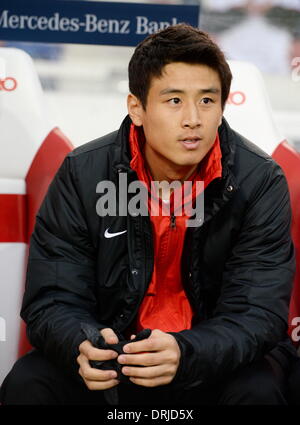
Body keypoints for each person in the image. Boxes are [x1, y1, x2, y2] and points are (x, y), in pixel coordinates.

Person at [0, 24, 298, 406]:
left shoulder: (259, 180)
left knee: (257, 391)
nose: (193, 118)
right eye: (174, 101)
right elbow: (52, 298)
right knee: (30, 383)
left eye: (207, 101)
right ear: (136, 108)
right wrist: (83, 344)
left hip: (210, 364)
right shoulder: (82, 173)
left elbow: (258, 313)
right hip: (113, 359)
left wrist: (187, 352)